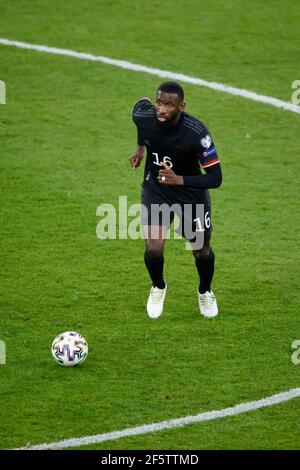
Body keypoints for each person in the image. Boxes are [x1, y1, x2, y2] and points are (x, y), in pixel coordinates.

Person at [129, 81, 222, 319]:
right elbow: (140, 114)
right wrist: (140, 148)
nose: (161, 109)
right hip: (157, 188)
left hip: (190, 192)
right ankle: (158, 286)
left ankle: (205, 291)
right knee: (154, 246)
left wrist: (179, 179)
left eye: (168, 105)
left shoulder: (197, 133)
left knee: (200, 250)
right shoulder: (144, 115)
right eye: (159, 102)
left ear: (181, 106)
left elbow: (216, 178)